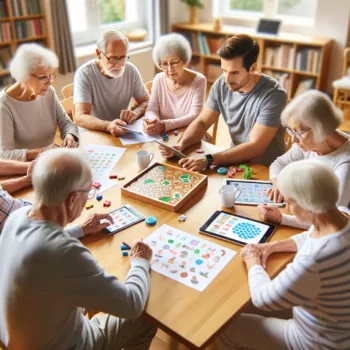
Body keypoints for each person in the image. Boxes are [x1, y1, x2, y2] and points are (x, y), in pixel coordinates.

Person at [0, 148, 157, 349]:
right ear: (72, 199)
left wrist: (80, 230)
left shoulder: (17, 217)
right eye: (88, 192)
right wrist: (140, 262)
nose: (88, 198)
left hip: (20, 338)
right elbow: (132, 304)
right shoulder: (65, 253)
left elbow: (39, 245)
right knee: (145, 319)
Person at [214, 160, 350, 350]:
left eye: (289, 202)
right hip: (340, 324)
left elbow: (263, 299)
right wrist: (272, 246)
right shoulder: (342, 214)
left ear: (306, 205)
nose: (286, 206)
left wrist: (253, 262)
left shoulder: (313, 259)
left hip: (319, 342)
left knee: (224, 328)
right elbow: (312, 234)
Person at [159, 34, 287, 170]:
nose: (226, 79)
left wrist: (209, 159)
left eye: (235, 72)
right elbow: (202, 122)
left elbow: (255, 146)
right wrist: (181, 145)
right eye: (224, 71)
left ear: (253, 68)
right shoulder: (222, 83)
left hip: (267, 168)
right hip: (234, 161)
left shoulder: (274, 95)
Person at [259, 90, 350, 229]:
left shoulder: (345, 162)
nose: (294, 140)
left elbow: (333, 219)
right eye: (291, 131)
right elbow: (279, 163)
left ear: (320, 128)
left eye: (298, 132)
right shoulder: (308, 143)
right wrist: (278, 180)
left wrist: (282, 218)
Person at [0, 43, 79, 161]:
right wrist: (40, 152)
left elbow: (67, 123)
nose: (49, 82)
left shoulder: (49, 92)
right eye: (43, 77)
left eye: (51, 76)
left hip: (50, 162)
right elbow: (4, 154)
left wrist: (70, 136)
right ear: (24, 76)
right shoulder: (4, 105)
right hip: (23, 169)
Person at [74, 30, 150, 137]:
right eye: (113, 58)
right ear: (98, 54)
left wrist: (136, 112)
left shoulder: (130, 70)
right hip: (94, 134)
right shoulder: (85, 74)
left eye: (123, 57)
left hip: (122, 131)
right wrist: (108, 126)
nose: (119, 64)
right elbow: (80, 117)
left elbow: (147, 101)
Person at [143, 33, 206, 135]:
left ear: (184, 60)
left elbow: (195, 115)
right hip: (164, 135)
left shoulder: (199, 80)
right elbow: (151, 109)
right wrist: (152, 121)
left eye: (174, 62)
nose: (169, 69)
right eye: (164, 64)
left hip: (188, 134)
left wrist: (164, 125)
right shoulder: (159, 79)